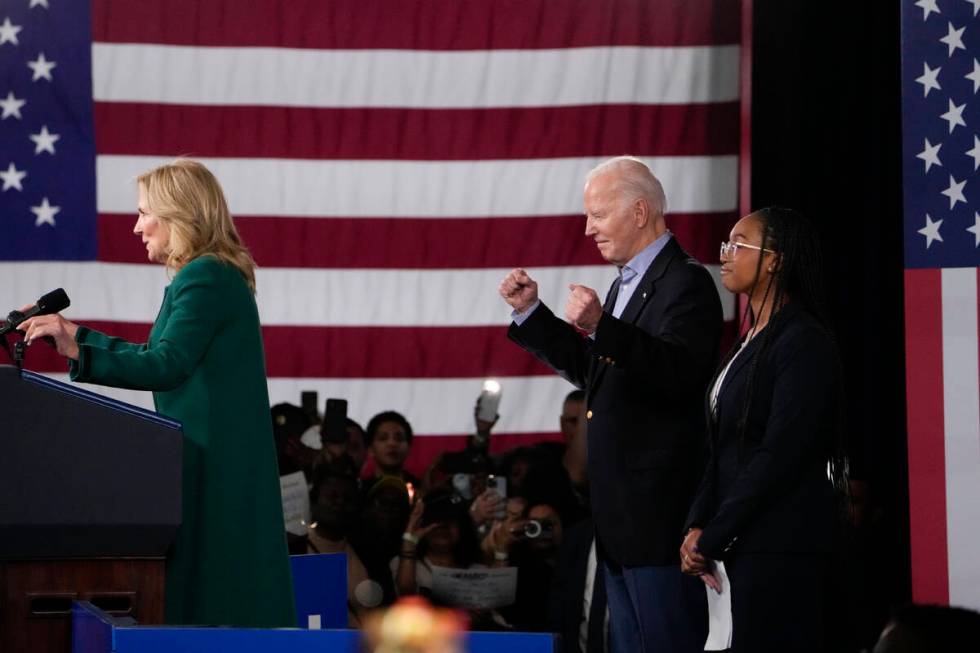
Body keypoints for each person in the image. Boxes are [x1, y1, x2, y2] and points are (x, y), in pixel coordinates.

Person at [20, 159, 296, 627]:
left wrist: (77, 348)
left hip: (214, 467)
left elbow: (165, 365)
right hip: (212, 461)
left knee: (215, 599)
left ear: (178, 214)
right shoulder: (209, 275)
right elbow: (159, 353)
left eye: (145, 212)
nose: (136, 226)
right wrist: (74, 335)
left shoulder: (205, 276)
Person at [499, 156, 722, 653]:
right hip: (623, 522)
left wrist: (602, 325)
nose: (587, 228)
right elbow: (598, 373)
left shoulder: (686, 282)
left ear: (639, 211)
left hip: (660, 522)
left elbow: (680, 373)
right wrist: (533, 314)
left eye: (597, 215)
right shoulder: (628, 281)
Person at [680, 207, 848, 652]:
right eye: (724, 245)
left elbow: (780, 452)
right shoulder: (747, 341)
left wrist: (714, 534)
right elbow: (720, 449)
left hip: (778, 549)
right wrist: (696, 525)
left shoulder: (803, 340)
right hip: (734, 546)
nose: (725, 255)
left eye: (739, 244)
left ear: (775, 259)